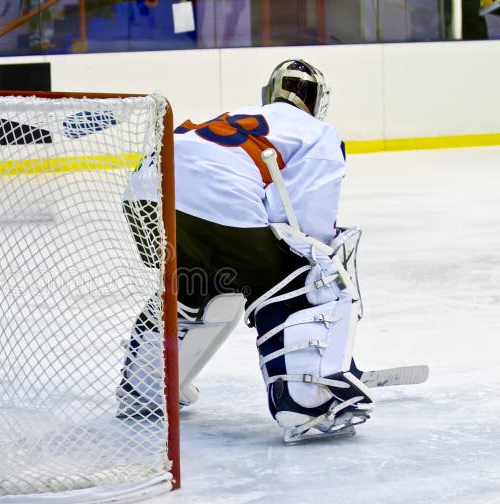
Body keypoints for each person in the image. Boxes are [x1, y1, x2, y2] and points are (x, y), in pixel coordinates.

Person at [118, 59, 375, 443]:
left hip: (144, 197)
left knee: (195, 287)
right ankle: (305, 401)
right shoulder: (317, 132)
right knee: (298, 279)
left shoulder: (239, 114)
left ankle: (147, 385)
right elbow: (307, 227)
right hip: (213, 201)